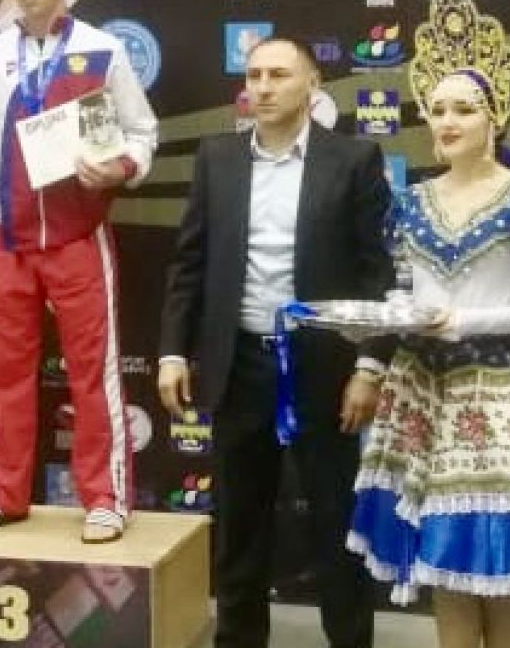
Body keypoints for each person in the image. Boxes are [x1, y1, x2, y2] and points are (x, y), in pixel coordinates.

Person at [347, 0, 510, 647]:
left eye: (464, 108)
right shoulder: (408, 203)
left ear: (495, 115)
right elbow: (400, 292)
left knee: (499, 563)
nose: (446, 121)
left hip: (493, 391)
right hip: (420, 391)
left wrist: (464, 320)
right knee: (442, 560)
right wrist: (377, 322)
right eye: (437, 108)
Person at [158, 36, 393, 648]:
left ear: (312, 85)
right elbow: (189, 264)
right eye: (254, 74)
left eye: (279, 75)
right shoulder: (218, 158)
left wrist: (369, 366)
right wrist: (174, 352)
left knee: (336, 519)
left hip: (324, 367)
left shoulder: (354, 159)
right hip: (239, 363)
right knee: (239, 522)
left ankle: (351, 640)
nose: (262, 87)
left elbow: (378, 275)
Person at [0, 0, 157, 543]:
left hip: (76, 236)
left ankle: (105, 498)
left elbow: (141, 133)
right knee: (3, 373)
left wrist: (119, 167)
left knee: (92, 373)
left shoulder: (102, 50)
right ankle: (1, 492)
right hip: (7, 238)